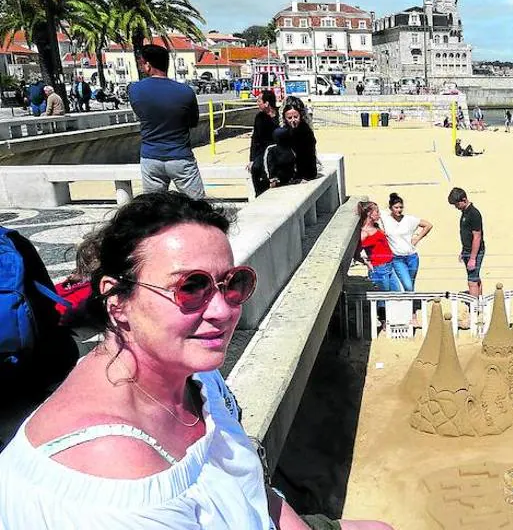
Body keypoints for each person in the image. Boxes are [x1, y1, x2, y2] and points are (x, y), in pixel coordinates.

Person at [0, 192, 393, 530]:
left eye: (232, 283)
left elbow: (255, 490)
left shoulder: (195, 375)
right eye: (191, 287)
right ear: (116, 300)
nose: (223, 310)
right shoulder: (114, 477)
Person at [128, 44, 205, 199]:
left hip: (150, 157)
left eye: (142, 63)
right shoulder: (186, 91)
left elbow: (140, 113)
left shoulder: (134, 89)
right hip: (180, 156)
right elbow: (192, 122)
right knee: (198, 207)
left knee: (154, 209)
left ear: (148, 65)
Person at [381, 192, 433, 292]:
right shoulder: (385, 218)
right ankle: (408, 303)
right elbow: (372, 210)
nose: (399, 210)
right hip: (397, 258)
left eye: (401, 207)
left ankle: (410, 305)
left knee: (411, 284)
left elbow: (428, 225)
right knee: (408, 285)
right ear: (391, 207)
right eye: (396, 207)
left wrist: (417, 238)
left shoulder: (409, 219)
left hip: (412, 257)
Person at [448, 187, 484, 296]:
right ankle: (479, 302)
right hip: (468, 250)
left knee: (471, 281)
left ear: (464, 200)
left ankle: (474, 308)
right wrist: (463, 251)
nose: (456, 207)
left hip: (475, 252)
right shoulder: (465, 212)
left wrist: (472, 258)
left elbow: (477, 237)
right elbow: (466, 234)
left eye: (457, 204)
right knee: (475, 277)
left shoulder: (474, 214)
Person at [356, 201, 399, 293]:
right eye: (377, 212)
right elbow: (356, 253)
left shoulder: (376, 226)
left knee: (397, 295)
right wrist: (367, 263)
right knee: (383, 299)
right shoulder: (364, 233)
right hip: (379, 268)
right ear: (369, 214)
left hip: (389, 265)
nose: (379, 214)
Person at [248, 90, 279, 195]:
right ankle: (259, 194)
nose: (258, 103)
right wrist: (251, 159)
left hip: (278, 150)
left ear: (267, 103)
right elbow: (255, 138)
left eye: (259, 101)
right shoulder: (259, 118)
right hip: (262, 151)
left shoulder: (280, 116)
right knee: (256, 168)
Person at [282, 96, 318, 181]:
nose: (293, 120)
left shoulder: (306, 132)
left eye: (296, 117)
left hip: (306, 173)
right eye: (289, 118)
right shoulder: (282, 131)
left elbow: (308, 157)